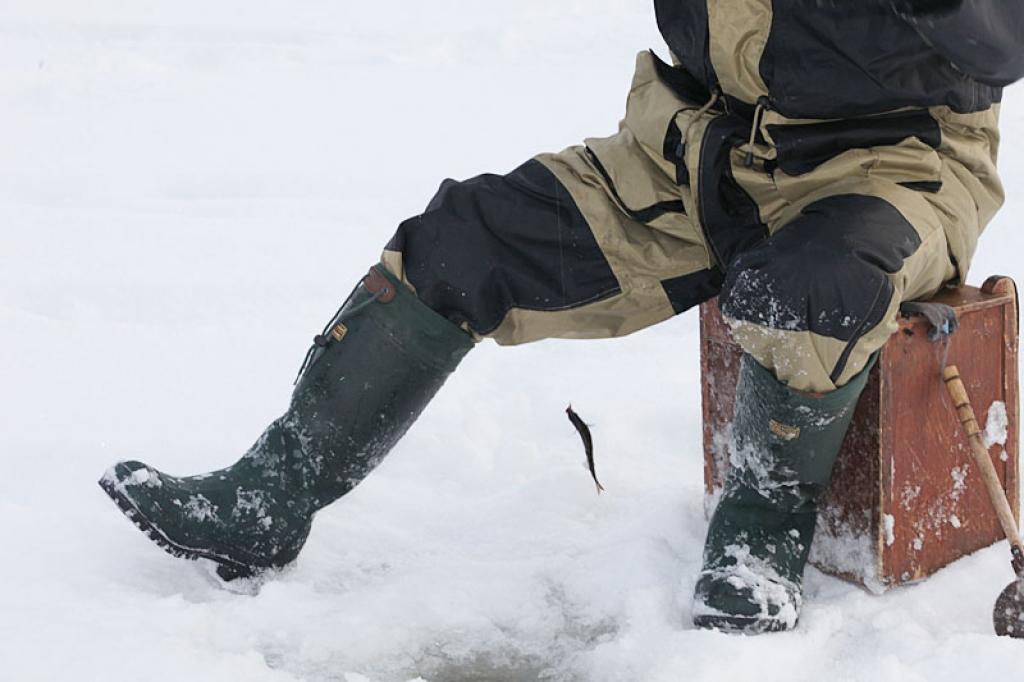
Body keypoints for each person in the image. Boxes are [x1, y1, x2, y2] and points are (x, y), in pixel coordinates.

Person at [100, 0, 1024, 633]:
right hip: (695, 153)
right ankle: (273, 493)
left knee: (810, 287)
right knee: (460, 243)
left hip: (894, 162)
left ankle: (760, 541)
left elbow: (1001, 42)